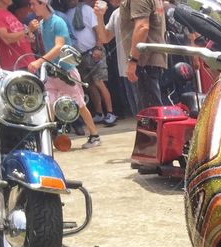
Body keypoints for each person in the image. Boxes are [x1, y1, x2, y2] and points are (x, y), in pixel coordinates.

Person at [27, 0, 102, 148]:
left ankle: (95, 135)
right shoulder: (42, 24)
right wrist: (29, 33)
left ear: (43, 3)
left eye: (34, 4)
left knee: (79, 104)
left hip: (66, 71)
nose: (31, 7)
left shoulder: (58, 21)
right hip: (51, 71)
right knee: (49, 104)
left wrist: (39, 62)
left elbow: (59, 46)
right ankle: (48, 138)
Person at [65, 0, 117, 124]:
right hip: (80, 55)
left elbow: (97, 29)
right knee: (90, 85)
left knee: (99, 82)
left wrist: (98, 47)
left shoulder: (87, 9)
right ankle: (99, 113)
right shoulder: (67, 14)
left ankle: (110, 113)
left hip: (93, 51)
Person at [117, 0, 167, 111]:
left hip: (144, 62)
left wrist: (133, 60)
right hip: (151, 61)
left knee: (150, 113)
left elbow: (142, 27)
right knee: (154, 111)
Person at [94, 0, 139, 116]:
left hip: (140, 65)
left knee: (147, 110)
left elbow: (143, 29)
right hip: (126, 69)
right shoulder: (116, 13)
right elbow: (104, 38)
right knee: (138, 113)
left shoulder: (137, 7)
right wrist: (100, 16)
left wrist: (134, 60)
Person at [0, 0, 38, 71]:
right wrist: (28, 30)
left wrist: (29, 36)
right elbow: (6, 39)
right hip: (18, 66)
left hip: (28, 63)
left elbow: (21, 35)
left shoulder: (7, 13)